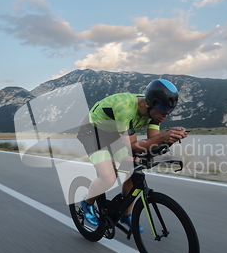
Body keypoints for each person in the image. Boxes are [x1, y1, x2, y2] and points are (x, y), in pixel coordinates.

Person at [76, 79, 188, 230]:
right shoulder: (126, 109)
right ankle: (86, 203)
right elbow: (133, 147)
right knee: (109, 177)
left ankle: (125, 215)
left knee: (132, 168)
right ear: (149, 103)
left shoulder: (155, 112)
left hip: (115, 133)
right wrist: (162, 137)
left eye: (169, 110)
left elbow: (152, 144)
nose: (165, 114)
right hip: (92, 132)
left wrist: (170, 139)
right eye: (162, 108)